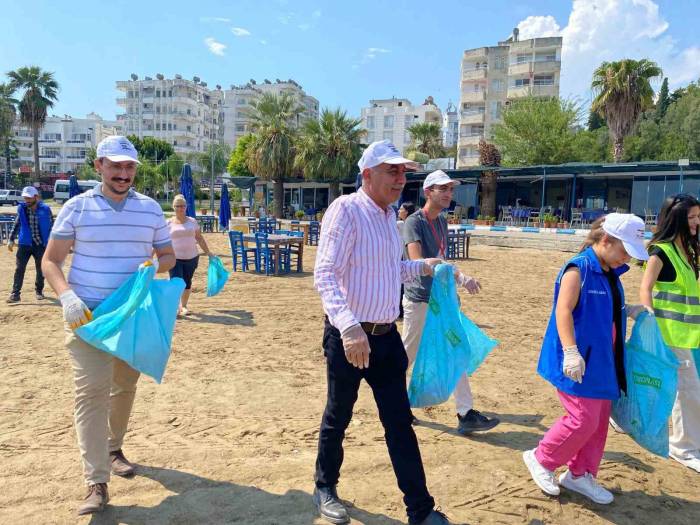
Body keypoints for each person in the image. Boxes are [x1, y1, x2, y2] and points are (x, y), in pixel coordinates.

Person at [313, 140, 461, 525]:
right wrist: (348, 328)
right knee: (338, 416)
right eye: (392, 171)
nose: (400, 179)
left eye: (403, 172)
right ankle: (325, 487)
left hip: (386, 336)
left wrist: (426, 266)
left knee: (399, 424)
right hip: (349, 338)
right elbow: (325, 275)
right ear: (367, 174)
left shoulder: (388, 215)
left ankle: (420, 510)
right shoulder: (345, 210)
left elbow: (391, 271)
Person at [41, 135, 176, 516]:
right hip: (87, 318)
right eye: (115, 166)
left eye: (129, 166)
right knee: (90, 395)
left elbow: (167, 256)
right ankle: (96, 481)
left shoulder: (150, 210)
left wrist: (156, 265)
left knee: (124, 388)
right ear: (98, 166)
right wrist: (67, 295)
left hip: (132, 316)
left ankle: (114, 447)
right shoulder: (76, 208)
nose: (122, 173)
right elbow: (50, 261)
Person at [523, 213, 648, 504]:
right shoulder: (577, 270)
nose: (627, 259)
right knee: (582, 419)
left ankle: (580, 474)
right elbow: (563, 310)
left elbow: (602, 305)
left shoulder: (610, 273)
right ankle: (542, 458)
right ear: (606, 240)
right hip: (578, 362)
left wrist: (627, 310)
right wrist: (570, 352)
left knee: (599, 420)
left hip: (604, 362)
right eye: (624, 251)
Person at [402, 170, 500, 434]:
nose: (448, 194)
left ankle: (465, 412)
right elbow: (418, 262)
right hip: (421, 301)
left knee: (457, 352)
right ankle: (396, 405)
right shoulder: (414, 222)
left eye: (450, 189)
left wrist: (461, 277)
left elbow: (441, 259)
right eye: (442, 189)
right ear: (428, 192)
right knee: (405, 357)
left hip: (442, 301)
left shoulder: (442, 222)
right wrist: (454, 274)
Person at [639, 194, 700, 472]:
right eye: (691, 217)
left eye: (698, 216)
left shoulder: (687, 249)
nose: (697, 222)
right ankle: (683, 447)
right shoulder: (661, 251)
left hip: (686, 334)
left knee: (659, 383)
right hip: (669, 335)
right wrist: (650, 321)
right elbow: (645, 288)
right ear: (676, 219)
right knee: (687, 391)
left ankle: (621, 415)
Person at [6, 186, 53, 302]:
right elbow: (17, 224)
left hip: (40, 244)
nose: (26, 201)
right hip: (24, 243)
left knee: (40, 269)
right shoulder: (22, 209)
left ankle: (39, 291)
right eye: (25, 198)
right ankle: (15, 294)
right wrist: (11, 239)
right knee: (19, 268)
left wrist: (53, 242)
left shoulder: (46, 209)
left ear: (36, 197)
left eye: (29, 198)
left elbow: (53, 227)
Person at [168, 194, 211, 316]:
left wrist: (208, 252)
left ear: (186, 207)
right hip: (174, 258)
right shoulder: (168, 223)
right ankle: (176, 308)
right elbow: (161, 241)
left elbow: (199, 238)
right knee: (176, 283)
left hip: (192, 257)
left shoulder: (192, 221)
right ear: (173, 207)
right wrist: (151, 254)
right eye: (178, 206)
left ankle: (184, 306)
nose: (180, 208)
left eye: (183, 206)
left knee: (187, 282)